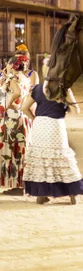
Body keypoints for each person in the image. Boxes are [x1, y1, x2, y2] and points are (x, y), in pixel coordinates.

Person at [22, 84, 83, 205]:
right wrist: (66, 102)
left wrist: (34, 119)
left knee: (41, 158)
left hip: (40, 125)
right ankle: (73, 193)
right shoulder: (64, 89)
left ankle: (41, 194)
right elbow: (76, 111)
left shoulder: (38, 88)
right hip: (56, 124)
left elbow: (24, 108)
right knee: (61, 157)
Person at [0, 55, 31, 195]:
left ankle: (16, 184)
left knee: (11, 151)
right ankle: (20, 184)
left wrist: (8, 104)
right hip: (21, 118)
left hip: (12, 119)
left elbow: (17, 92)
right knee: (19, 152)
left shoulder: (14, 79)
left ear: (12, 66)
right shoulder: (26, 78)